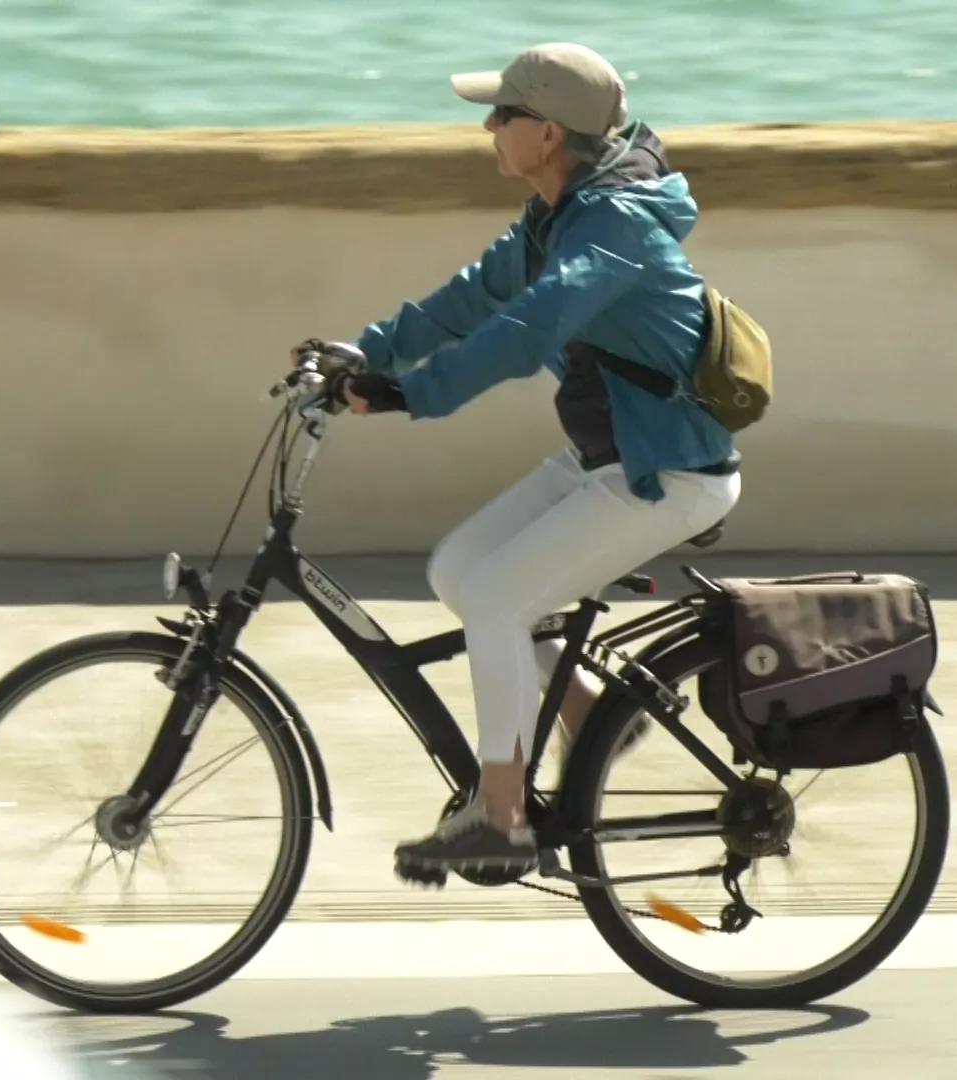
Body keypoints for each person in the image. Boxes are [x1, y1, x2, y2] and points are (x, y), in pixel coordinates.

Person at [292, 42, 742, 878]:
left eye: (502, 115)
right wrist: (368, 351)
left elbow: (526, 329)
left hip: (665, 472)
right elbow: (472, 297)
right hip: (608, 459)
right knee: (459, 568)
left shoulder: (612, 228)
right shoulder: (557, 214)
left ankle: (501, 821)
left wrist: (410, 394)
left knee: (499, 595)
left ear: (546, 133)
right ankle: (588, 708)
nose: (488, 128)